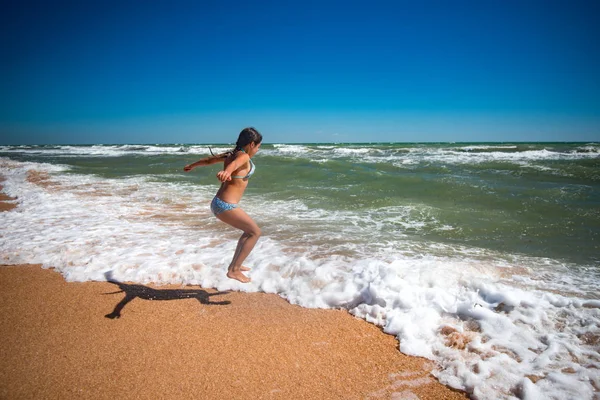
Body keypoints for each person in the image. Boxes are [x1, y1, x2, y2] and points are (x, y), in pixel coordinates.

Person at [183, 127, 263, 283]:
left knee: (248, 232)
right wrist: (227, 171)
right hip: (226, 205)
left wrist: (192, 165)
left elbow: (208, 160)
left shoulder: (230, 155)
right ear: (252, 144)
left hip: (219, 203)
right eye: (259, 146)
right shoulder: (243, 157)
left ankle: (236, 265)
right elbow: (234, 165)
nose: (258, 149)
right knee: (255, 232)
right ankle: (234, 270)